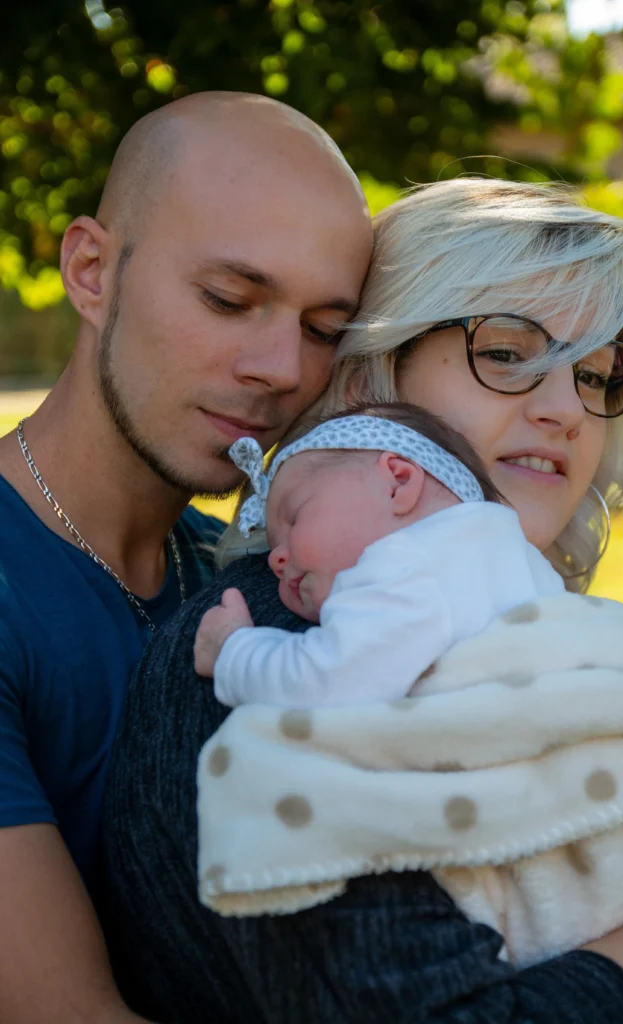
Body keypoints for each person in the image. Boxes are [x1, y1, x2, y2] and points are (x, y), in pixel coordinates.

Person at [104, 178, 623, 1023]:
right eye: (508, 353)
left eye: (596, 375)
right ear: (374, 376)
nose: (565, 409)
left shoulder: (509, 623)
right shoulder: (280, 645)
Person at [0, 91, 372, 1024]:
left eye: (325, 328)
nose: (281, 367)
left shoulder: (260, 571)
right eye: (228, 299)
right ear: (91, 270)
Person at [195, 402, 562, 705]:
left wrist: (234, 651)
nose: (276, 560)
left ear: (398, 483)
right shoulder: (518, 561)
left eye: (295, 516)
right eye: (276, 546)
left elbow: (328, 682)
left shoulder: (409, 566)